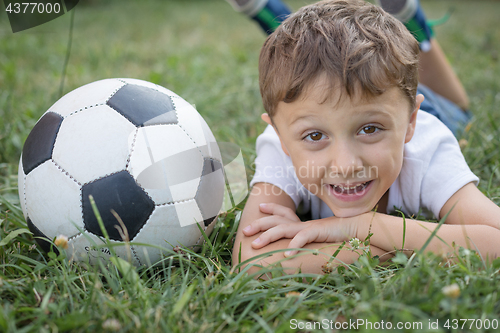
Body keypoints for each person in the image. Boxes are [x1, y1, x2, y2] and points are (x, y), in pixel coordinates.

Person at [231, 0, 500, 276]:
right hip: (381, 97)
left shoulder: (427, 147)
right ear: (281, 138)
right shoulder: (281, 145)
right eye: (315, 136)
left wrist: (360, 227)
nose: (346, 165)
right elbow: (249, 258)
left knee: (460, 113)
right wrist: (407, 246)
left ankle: (415, 25)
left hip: (421, 104)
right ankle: (278, 18)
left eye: (369, 130)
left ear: (410, 123)